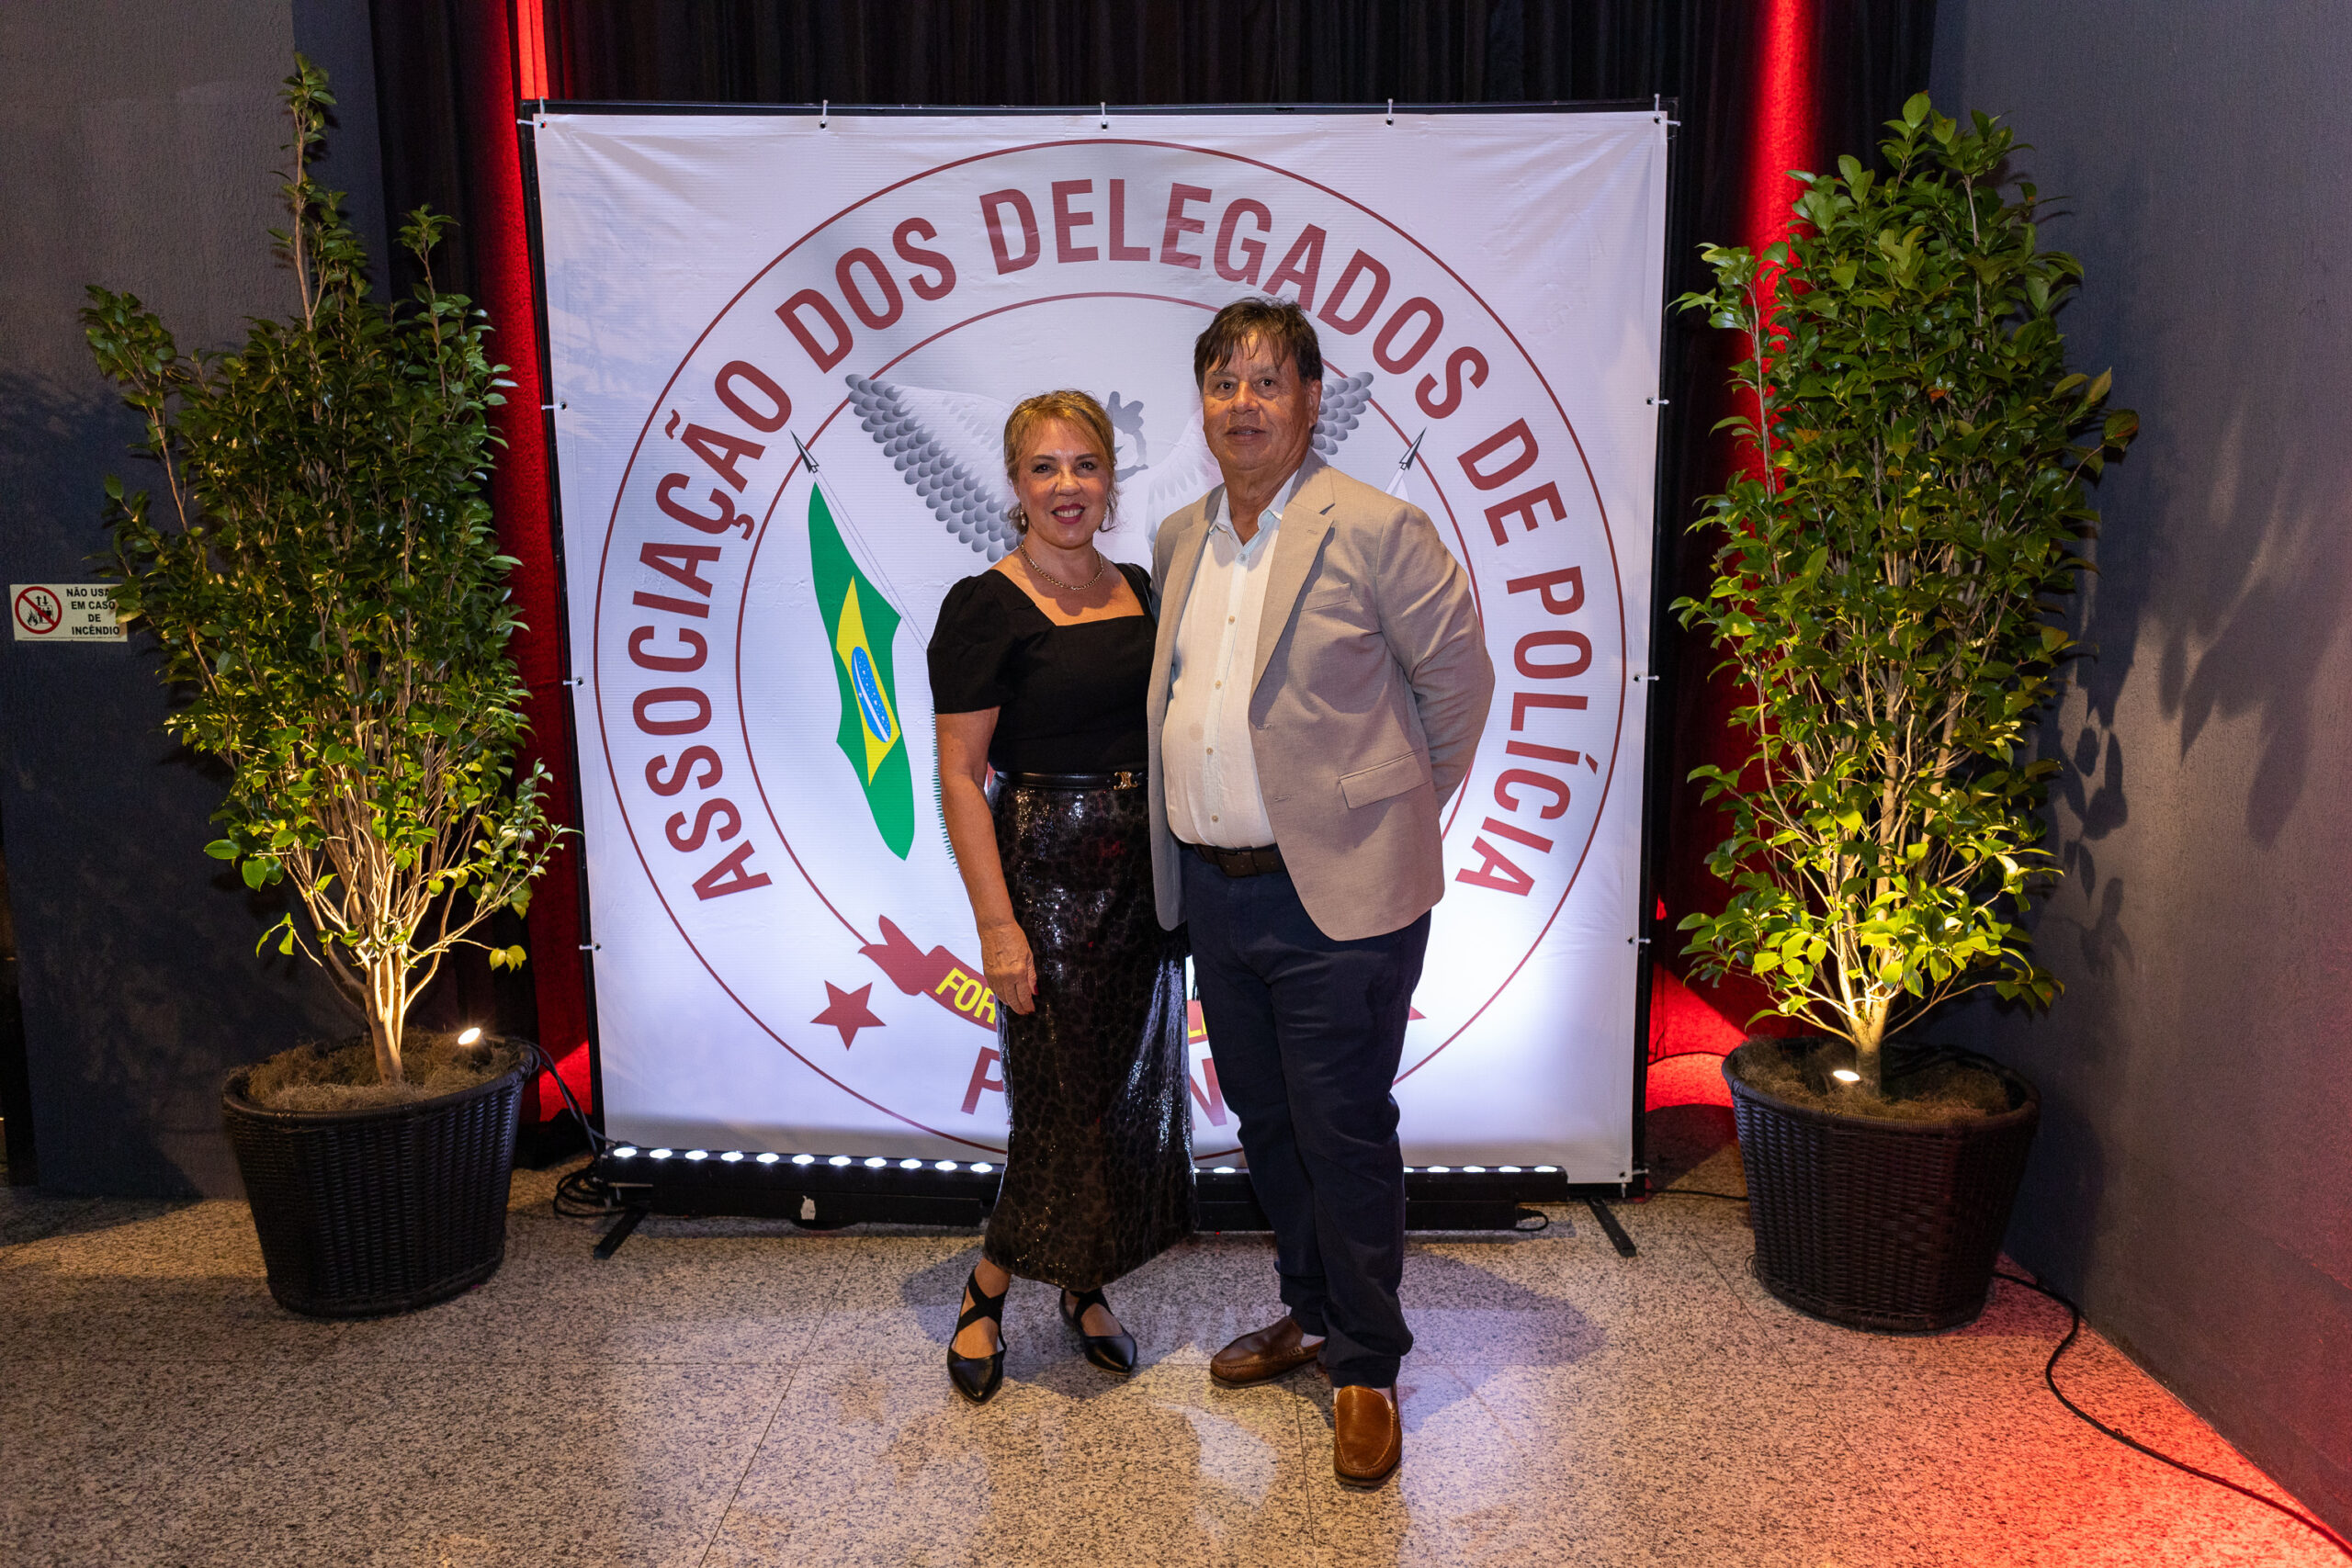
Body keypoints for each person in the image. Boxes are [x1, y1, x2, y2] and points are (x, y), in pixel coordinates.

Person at [1147, 299, 1494, 1485]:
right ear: (1202, 405)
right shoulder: (1180, 538)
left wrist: (1379, 813)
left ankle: (1367, 1363)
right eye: (1222, 382)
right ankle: (1307, 1311)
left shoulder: (1380, 526)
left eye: (1267, 381)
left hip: (1340, 895)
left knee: (1342, 1127)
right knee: (1267, 1121)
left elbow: (1457, 683)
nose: (1242, 403)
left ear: (1310, 399)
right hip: (1216, 890)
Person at [927, 389, 1193, 1405]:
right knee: (1057, 1106)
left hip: (1144, 875)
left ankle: (1085, 1283)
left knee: (1122, 1094)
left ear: (1110, 479)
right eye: (1045, 467)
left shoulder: (1141, 588)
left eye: (1085, 464)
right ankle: (986, 1289)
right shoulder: (983, 606)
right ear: (1015, 483)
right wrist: (999, 926)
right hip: (1045, 873)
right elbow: (961, 776)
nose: (1067, 486)